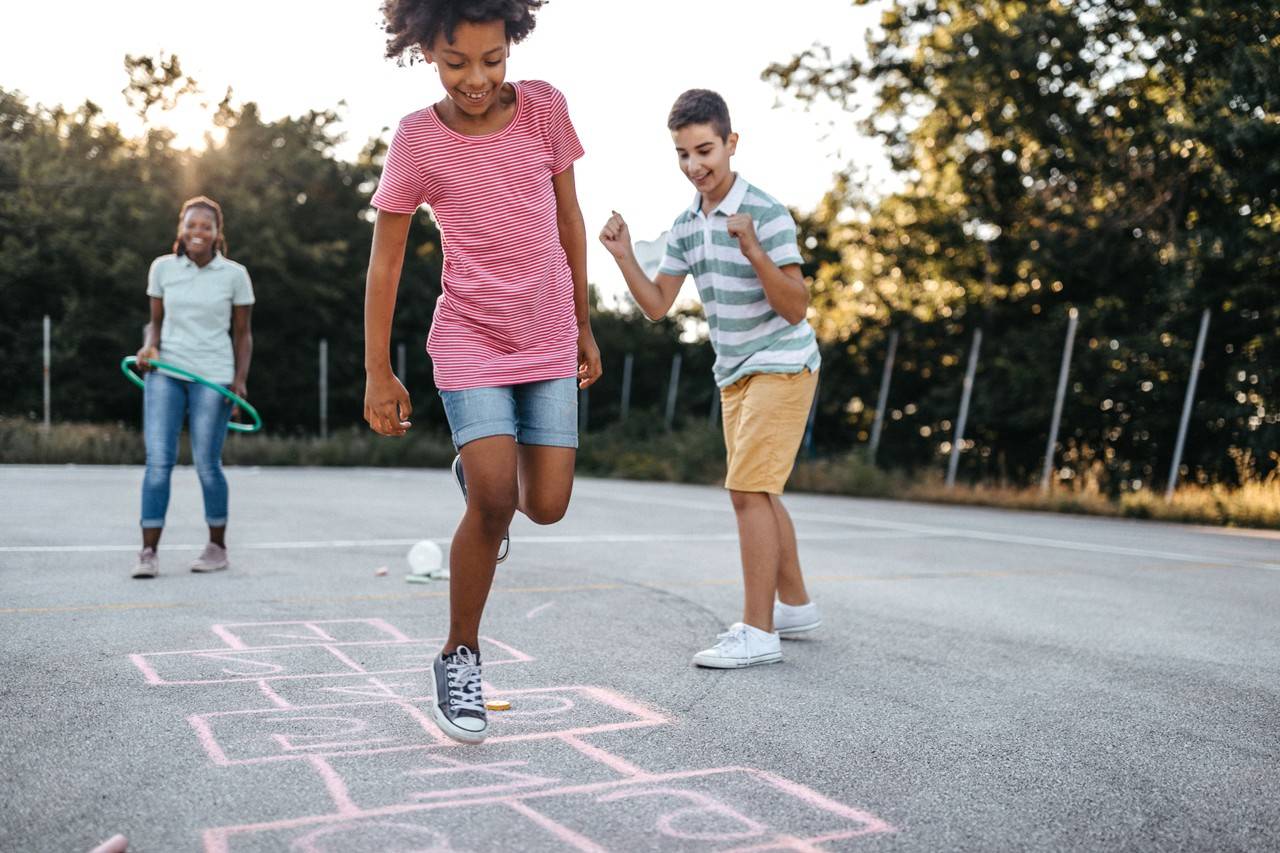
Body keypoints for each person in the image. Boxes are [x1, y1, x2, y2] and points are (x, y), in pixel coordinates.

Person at [364, 0, 601, 743]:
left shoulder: (543, 109)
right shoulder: (417, 139)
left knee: (549, 503)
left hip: (548, 331)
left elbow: (570, 220)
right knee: (496, 500)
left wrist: (585, 321)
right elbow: (387, 259)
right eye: (456, 62)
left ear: (512, 44)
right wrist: (379, 369)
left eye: (492, 60)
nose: (476, 78)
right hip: (469, 335)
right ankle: (459, 653)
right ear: (426, 49)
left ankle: (482, 478)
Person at [599, 89, 822, 669]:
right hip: (734, 373)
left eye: (705, 151)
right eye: (682, 154)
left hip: (782, 361)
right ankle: (793, 604)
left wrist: (753, 248)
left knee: (746, 491)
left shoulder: (766, 213)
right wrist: (624, 255)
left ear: (731, 144)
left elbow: (795, 306)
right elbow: (657, 305)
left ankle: (758, 631)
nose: (695, 165)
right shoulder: (685, 226)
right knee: (760, 489)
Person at [134, 195, 254, 579]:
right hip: (166, 372)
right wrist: (149, 346)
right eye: (191, 225)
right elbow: (155, 322)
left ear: (218, 233)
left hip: (213, 376)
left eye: (206, 226)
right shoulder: (163, 269)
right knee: (158, 464)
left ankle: (217, 547)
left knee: (207, 464)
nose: (197, 232)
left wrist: (238, 383)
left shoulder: (234, 275)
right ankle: (148, 553)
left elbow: (243, 334)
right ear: (180, 230)